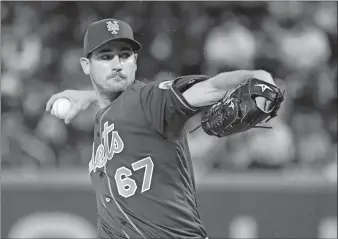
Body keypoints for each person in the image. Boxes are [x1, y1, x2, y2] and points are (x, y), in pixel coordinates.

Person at [46, 18, 277, 239]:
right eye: (106, 57)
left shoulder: (152, 99)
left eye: (125, 56)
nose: (117, 65)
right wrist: (89, 97)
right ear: (87, 66)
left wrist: (256, 75)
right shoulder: (105, 116)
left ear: (135, 61)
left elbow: (213, 87)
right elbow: (117, 105)